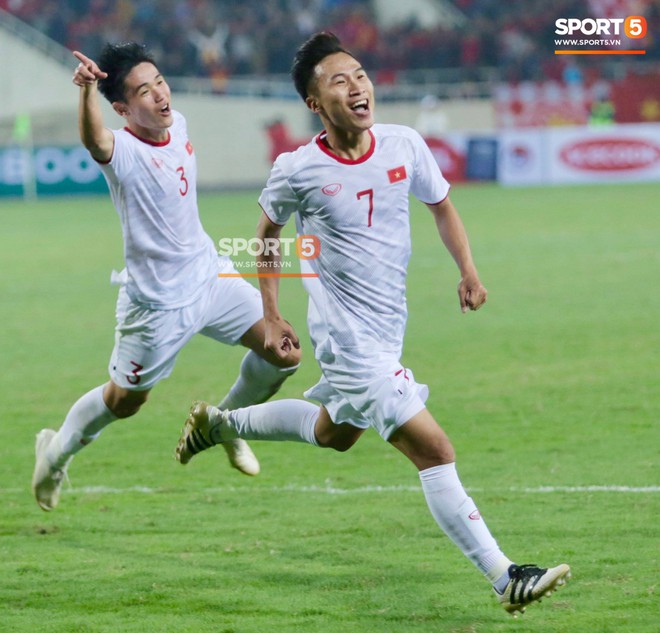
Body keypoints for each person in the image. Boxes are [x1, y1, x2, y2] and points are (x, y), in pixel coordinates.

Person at [175, 32, 570, 616]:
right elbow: (265, 238)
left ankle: (220, 424)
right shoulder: (298, 168)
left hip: (388, 328)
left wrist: (468, 269)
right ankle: (504, 575)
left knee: (335, 433)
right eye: (339, 80)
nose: (357, 86)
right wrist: (273, 313)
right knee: (434, 450)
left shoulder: (404, 145)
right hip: (347, 338)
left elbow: (441, 205)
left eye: (359, 74)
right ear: (315, 104)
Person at [31, 43, 301, 512]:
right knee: (124, 402)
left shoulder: (180, 126)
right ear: (121, 108)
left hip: (209, 276)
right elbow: (96, 142)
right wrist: (87, 93)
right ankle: (55, 456)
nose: (159, 94)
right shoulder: (124, 151)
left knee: (285, 353)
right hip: (155, 305)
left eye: (159, 81)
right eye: (142, 91)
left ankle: (222, 425)